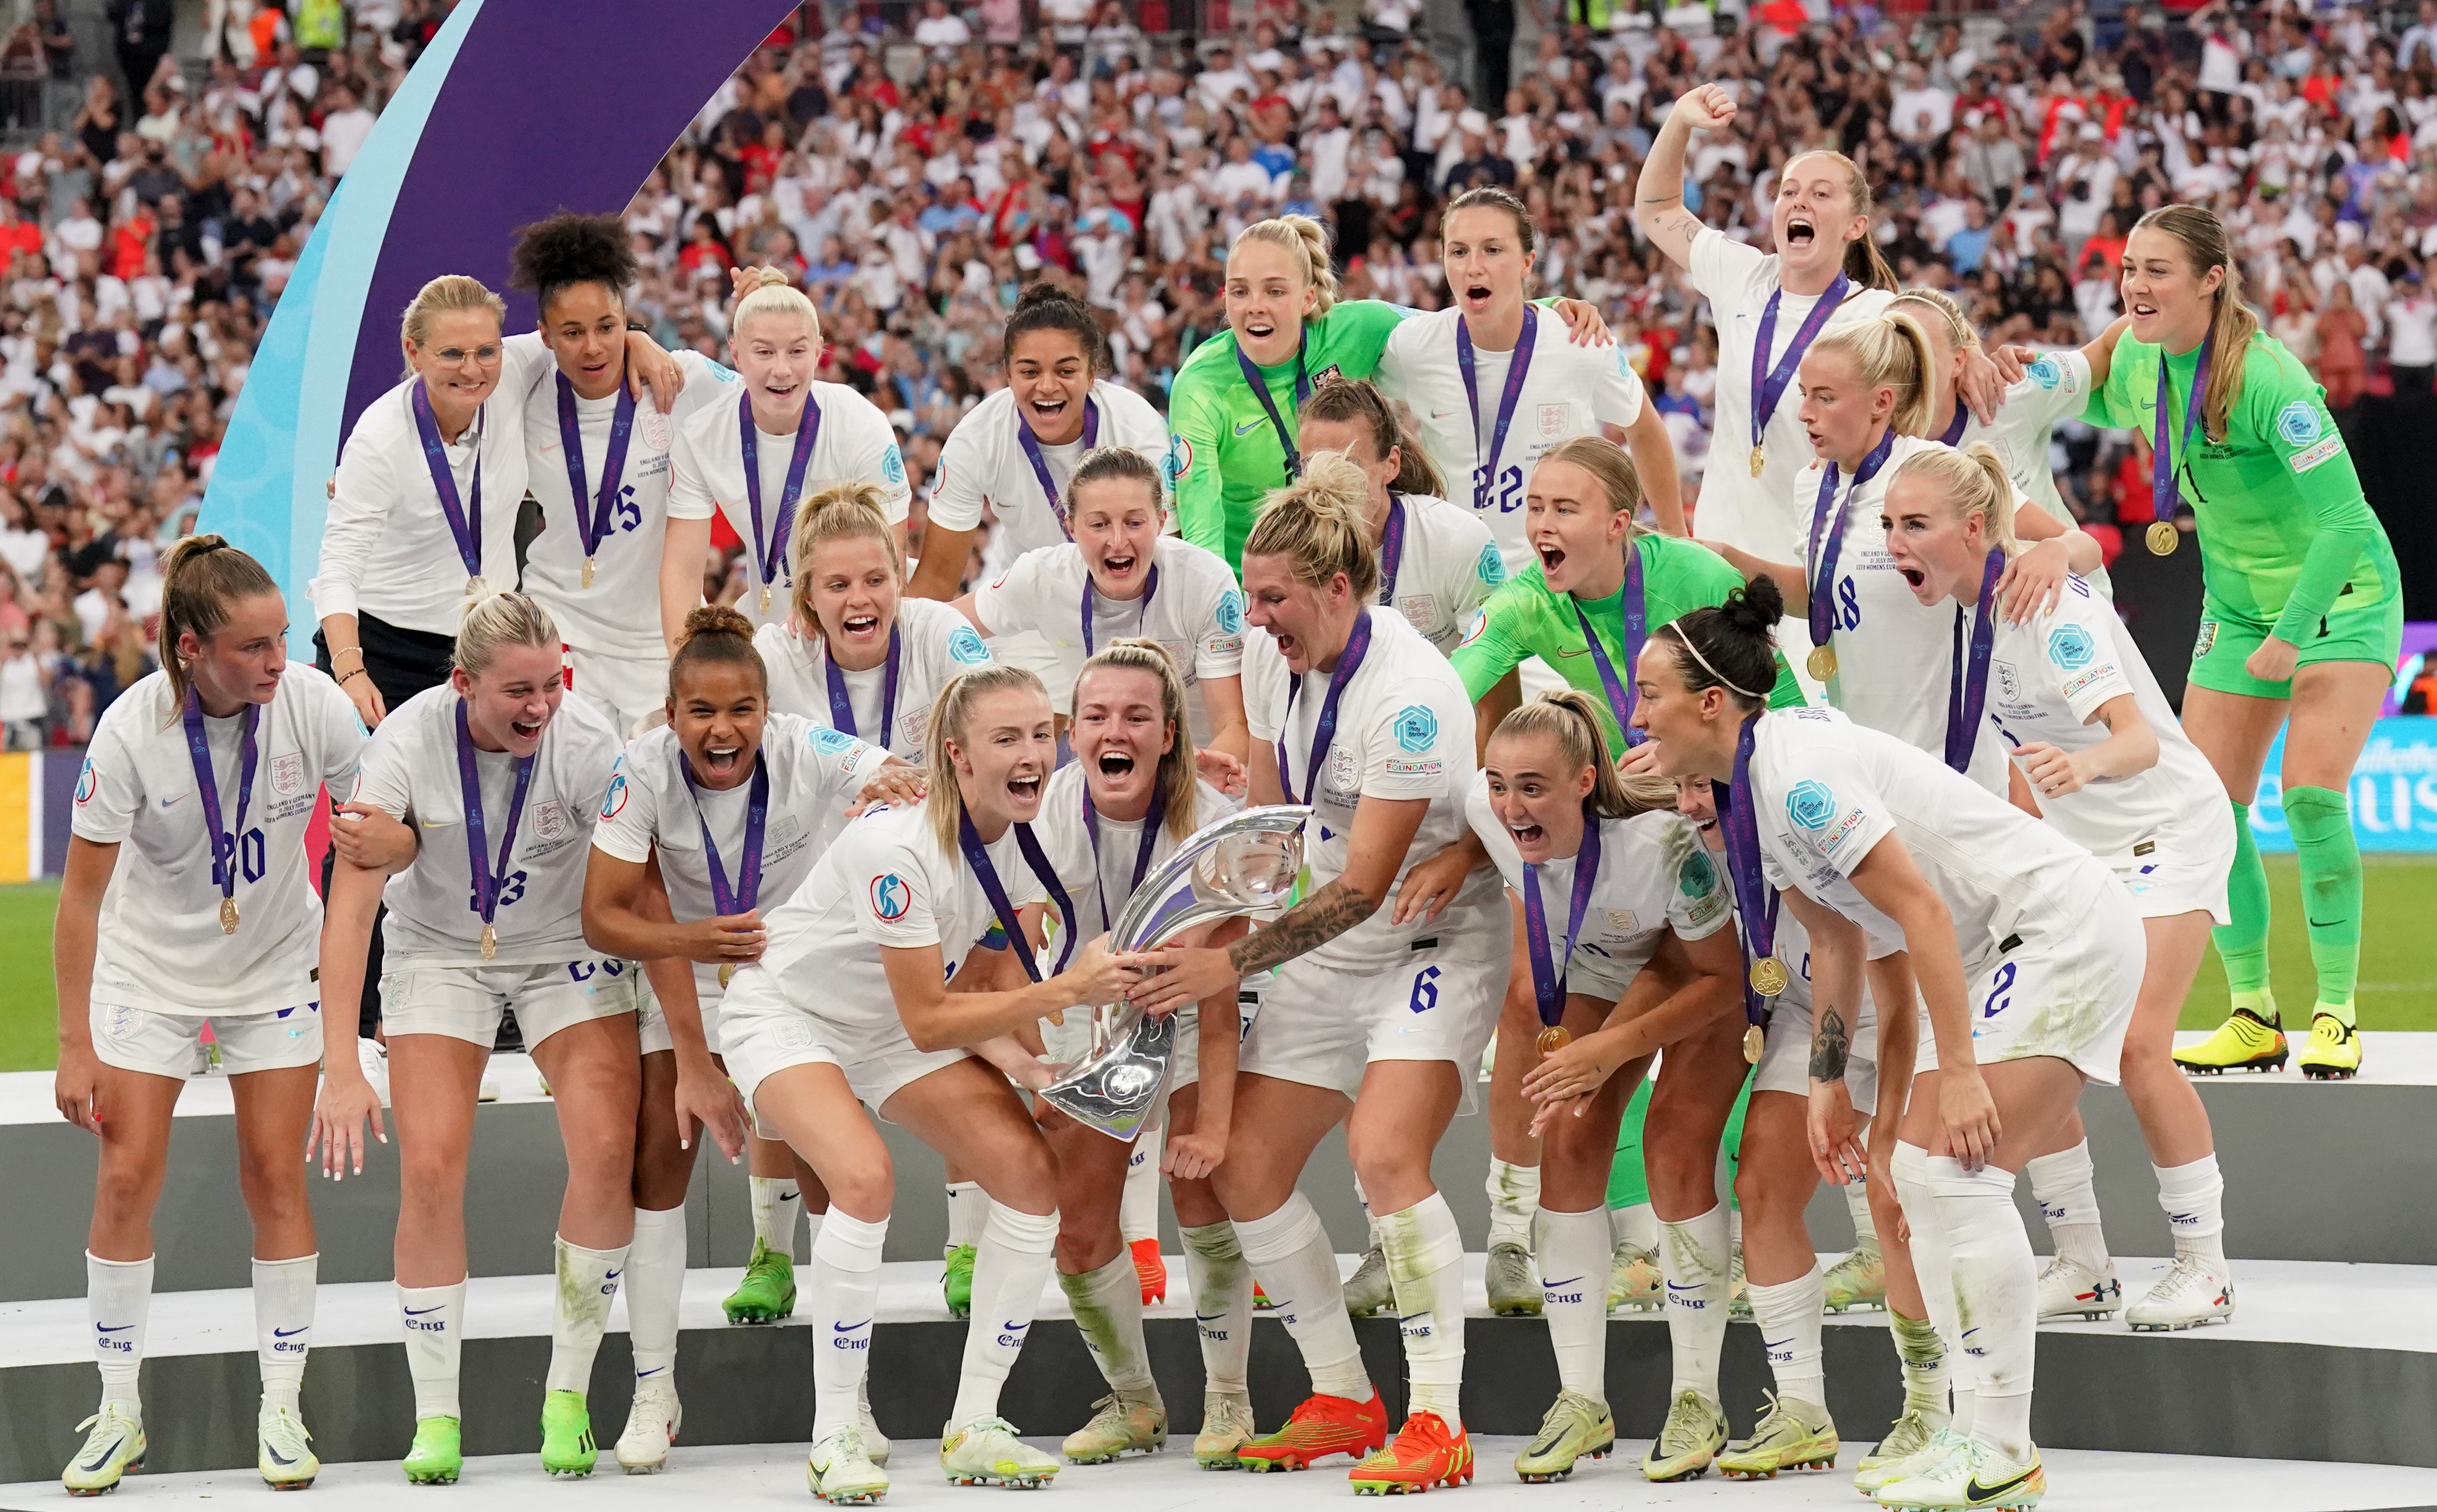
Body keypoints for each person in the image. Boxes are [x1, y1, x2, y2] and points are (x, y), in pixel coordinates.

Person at [1633, 577, 2145, 1512]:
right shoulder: (1752, 787)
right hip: (2026, 940)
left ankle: (2000, 1444)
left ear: (1710, 702)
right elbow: (1837, 939)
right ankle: (1969, 1428)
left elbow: (1914, 912)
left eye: (1647, 695)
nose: (1635, 717)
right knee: (1920, 1174)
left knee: (1947, 1172)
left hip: (2061, 928)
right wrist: (1827, 1079)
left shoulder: (1795, 775)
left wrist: (1955, 1071)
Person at [1124, 456, 1506, 1491]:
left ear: (1338, 589)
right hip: (1326, 937)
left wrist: (1229, 967)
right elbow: (1283, 827)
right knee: (1242, 1165)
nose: (1258, 617)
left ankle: (1438, 1420)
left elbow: (1369, 886)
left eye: (1276, 597)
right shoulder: (1271, 653)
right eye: (1252, 597)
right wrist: (1219, 922)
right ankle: (1343, 1395)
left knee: (1386, 1152)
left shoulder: (1412, 695)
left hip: (1431, 936)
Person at [716, 662, 1139, 1496]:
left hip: (895, 1027)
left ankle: (974, 1423)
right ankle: (835, 1431)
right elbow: (929, 1020)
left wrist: (1028, 1062)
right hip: (788, 1015)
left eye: (1041, 736)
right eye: (1006, 738)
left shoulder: (1028, 840)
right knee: (865, 1180)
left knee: (1028, 1178)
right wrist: (1068, 992)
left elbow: (976, 988)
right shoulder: (895, 847)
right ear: (957, 755)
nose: (1032, 754)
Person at [1884, 442, 2241, 1335]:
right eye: (1889, 524)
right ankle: (2081, 1261)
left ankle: (2204, 1264)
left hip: (2163, 829)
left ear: (1973, 528)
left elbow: (2135, 741)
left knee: (2136, 1047)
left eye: (1913, 524)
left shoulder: (2051, 609)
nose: (1896, 542)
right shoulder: (1966, 616)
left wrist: (2071, 771)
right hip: (2071, 849)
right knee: (2023, 1039)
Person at [1442, 435, 1799, 1323]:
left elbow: (1779, 710)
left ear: (1618, 521)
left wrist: (1695, 769)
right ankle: (1555, 1227)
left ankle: (1759, 1236)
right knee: (1549, 1003)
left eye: (1563, 509)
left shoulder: (1686, 571)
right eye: (1532, 507)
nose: (1540, 525)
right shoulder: (1524, 599)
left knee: (1752, 1014)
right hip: (1635, 846)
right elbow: (1455, 693)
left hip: (1732, 823)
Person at [52, 539, 366, 1494]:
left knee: (275, 1176)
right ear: (193, 648)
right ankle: (118, 1407)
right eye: (254, 646)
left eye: (282, 639)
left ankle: (281, 1402)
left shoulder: (312, 704)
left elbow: (373, 835)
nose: (279, 661)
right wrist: (74, 1044)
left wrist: (392, 834)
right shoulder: (130, 729)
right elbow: (78, 900)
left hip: (273, 964)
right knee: (125, 1180)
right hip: (149, 975)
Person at [580, 604, 922, 1471]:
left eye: (741, 709)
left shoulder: (803, 745)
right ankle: (654, 1385)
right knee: (659, 1157)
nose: (722, 727)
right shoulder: (643, 767)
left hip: (789, 977)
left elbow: (893, 772)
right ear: (669, 710)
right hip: (685, 968)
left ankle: (849, 1401)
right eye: (700, 710)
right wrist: (692, 953)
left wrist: (894, 781)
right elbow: (603, 917)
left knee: (824, 1162)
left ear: (767, 709)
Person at [309, 592, 637, 1485]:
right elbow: (349, 915)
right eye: (515, 691)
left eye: (551, 684)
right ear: (462, 684)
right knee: (429, 1166)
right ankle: (436, 1411)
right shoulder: (406, 743)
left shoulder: (590, 738)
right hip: (438, 952)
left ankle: (567, 1392)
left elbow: (639, 879)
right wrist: (342, 1063)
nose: (539, 706)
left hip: (565, 946)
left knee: (609, 1149)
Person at [2086, 206, 2403, 1081]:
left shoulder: (2269, 379)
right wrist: (2000, 370)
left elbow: (2343, 519)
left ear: (2209, 280)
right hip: (2234, 605)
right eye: (2127, 269)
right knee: (2204, 812)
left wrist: (2289, 636)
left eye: (2156, 270)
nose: (2135, 287)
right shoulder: (2141, 364)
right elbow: (2069, 388)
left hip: (2340, 597)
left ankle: (2333, 1011)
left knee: (2307, 795)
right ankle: (2252, 1013)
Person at [1449, 693, 1744, 1484]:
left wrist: (1612, 1048)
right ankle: (1582, 1399)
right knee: (1569, 1140)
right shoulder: (1490, 807)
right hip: (1609, 958)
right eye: (1501, 784)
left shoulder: (1664, 845)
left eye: (1534, 787)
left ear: (1585, 782)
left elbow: (1722, 979)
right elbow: (1460, 830)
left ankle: (1697, 1398)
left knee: (1675, 1146)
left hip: (1702, 966)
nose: (1512, 805)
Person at [752, 480, 998, 1316]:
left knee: (962, 1043)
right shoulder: (773, 653)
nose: (860, 599)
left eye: (876, 579)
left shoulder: (942, 635)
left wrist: (915, 793)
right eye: (837, 585)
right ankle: (773, 1250)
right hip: (808, 895)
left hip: (931, 888)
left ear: (902, 577)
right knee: (794, 1074)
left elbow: (996, 736)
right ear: (806, 598)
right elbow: (723, 726)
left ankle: (967, 1246)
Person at [1021, 640, 1258, 1470]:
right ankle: (1136, 1403)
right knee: (1080, 1229)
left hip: (1194, 1015)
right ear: (1071, 732)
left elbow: (1222, 997)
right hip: (1089, 1015)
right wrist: (1031, 1058)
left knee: (1200, 1187)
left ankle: (1230, 1400)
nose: (1112, 730)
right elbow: (1008, 949)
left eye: (1135, 716)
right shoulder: (1042, 810)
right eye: (1095, 716)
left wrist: (1217, 1124)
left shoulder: (1215, 822)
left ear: (1169, 735)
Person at [1701, 312, 2097, 797]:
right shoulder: (1811, 484)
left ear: (1881, 403)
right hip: (1865, 754)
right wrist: (1726, 556)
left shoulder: (1933, 472)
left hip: (1951, 763)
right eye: (1804, 394)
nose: (1805, 412)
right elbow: (1821, 595)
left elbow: (2087, 548)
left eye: (1825, 397)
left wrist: (2055, 551)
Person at [1167, 214, 1607, 570]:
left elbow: (1456, 328)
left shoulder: (1357, 328)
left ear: (1307, 298)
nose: (1255, 306)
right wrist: (1230, 624)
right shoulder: (1201, 386)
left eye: (1275, 290)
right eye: (1240, 292)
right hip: (1254, 581)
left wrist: (1545, 313)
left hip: (1349, 565)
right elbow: (1203, 528)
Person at [1374, 186, 1684, 583]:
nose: (1473, 267)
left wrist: (1678, 546)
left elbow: (1645, 429)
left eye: (1492, 249)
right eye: (1458, 251)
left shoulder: (1579, 341)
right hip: (1454, 584)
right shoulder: (1414, 346)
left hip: (1557, 586)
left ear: (1527, 263)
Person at [507, 213, 737, 736]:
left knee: (657, 809)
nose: (593, 347)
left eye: (608, 328)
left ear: (627, 318)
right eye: (572, 332)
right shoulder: (522, 389)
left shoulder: (682, 380)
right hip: (560, 628)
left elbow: (775, 406)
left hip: (660, 638)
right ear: (544, 334)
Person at [661, 272, 910, 645]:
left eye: (796, 351)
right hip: (767, 629)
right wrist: (683, 664)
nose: (782, 370)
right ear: (736, 352)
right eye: (764, 352)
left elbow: (890, 558)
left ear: (818, 351)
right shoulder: (701, 435)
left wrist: (824, 611)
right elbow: (682, 570)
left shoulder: (860, 423)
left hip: (858, 619)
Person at [959, 447, 1248, 759]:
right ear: (1070, 528)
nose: (1118, 541)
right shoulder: (1042, 577)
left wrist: (1187, 777)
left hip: (1199, 764)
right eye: (1099, 525)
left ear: (1161, 522)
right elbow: (936, 623)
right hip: (1102, 765)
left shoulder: (1205, 582)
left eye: (1135, 523)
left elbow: (1233, 727)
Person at [907, 282, 1167, 607]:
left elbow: (1168, 550)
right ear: (1008, 373)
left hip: (1135, 599)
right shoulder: (974, 440)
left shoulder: (1138, 427)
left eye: (1066, 370)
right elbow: (937, 580)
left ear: (1091, 374)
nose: (1046, 386)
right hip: (1028, 607)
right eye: (1030, 371)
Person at [1886, 285, 2120, 598]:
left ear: (1959, 360)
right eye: (1895, 347)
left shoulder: (2011, 392)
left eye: (1921, 347)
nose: (1907, 360)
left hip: (2065, 611)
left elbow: (2106, 348)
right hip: (1969, 634)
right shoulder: (1872, 445)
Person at [1295, 376, 1499, 655]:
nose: (1330, 484)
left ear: (1391, 464)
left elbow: (1493, 681)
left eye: (1349, 466)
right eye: (1314, 466)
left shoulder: (1456, 540)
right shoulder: (1287, 554)